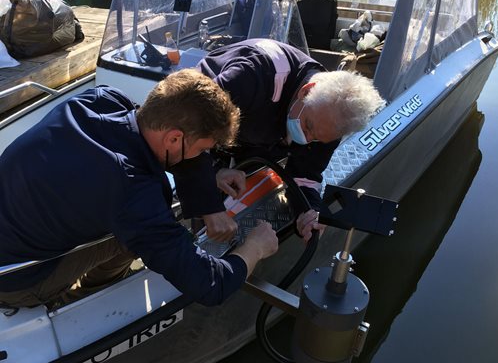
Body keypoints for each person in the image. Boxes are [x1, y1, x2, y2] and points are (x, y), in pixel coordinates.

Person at [0, 69, 278, 309]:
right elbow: (211, 285)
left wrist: (210, 181)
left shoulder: (100, 99)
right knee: (129, 238)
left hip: (14, 225)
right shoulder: (133, 191)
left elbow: (147, 145)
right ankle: (85, 301)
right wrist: (254, 248)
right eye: (202, 150)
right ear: (174, 138)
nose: (200, 159)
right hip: (14, 281)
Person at [173, 38, 385, 243]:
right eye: (308, 127)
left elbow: (305, 174)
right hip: (198, 119)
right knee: (203, 205)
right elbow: (184, 130)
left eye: (317, 139)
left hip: (255, 138)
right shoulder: (253, 74)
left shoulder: (330, 120)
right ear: (306, 92)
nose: (306, 140)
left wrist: (309, 212)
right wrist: (209, 187)